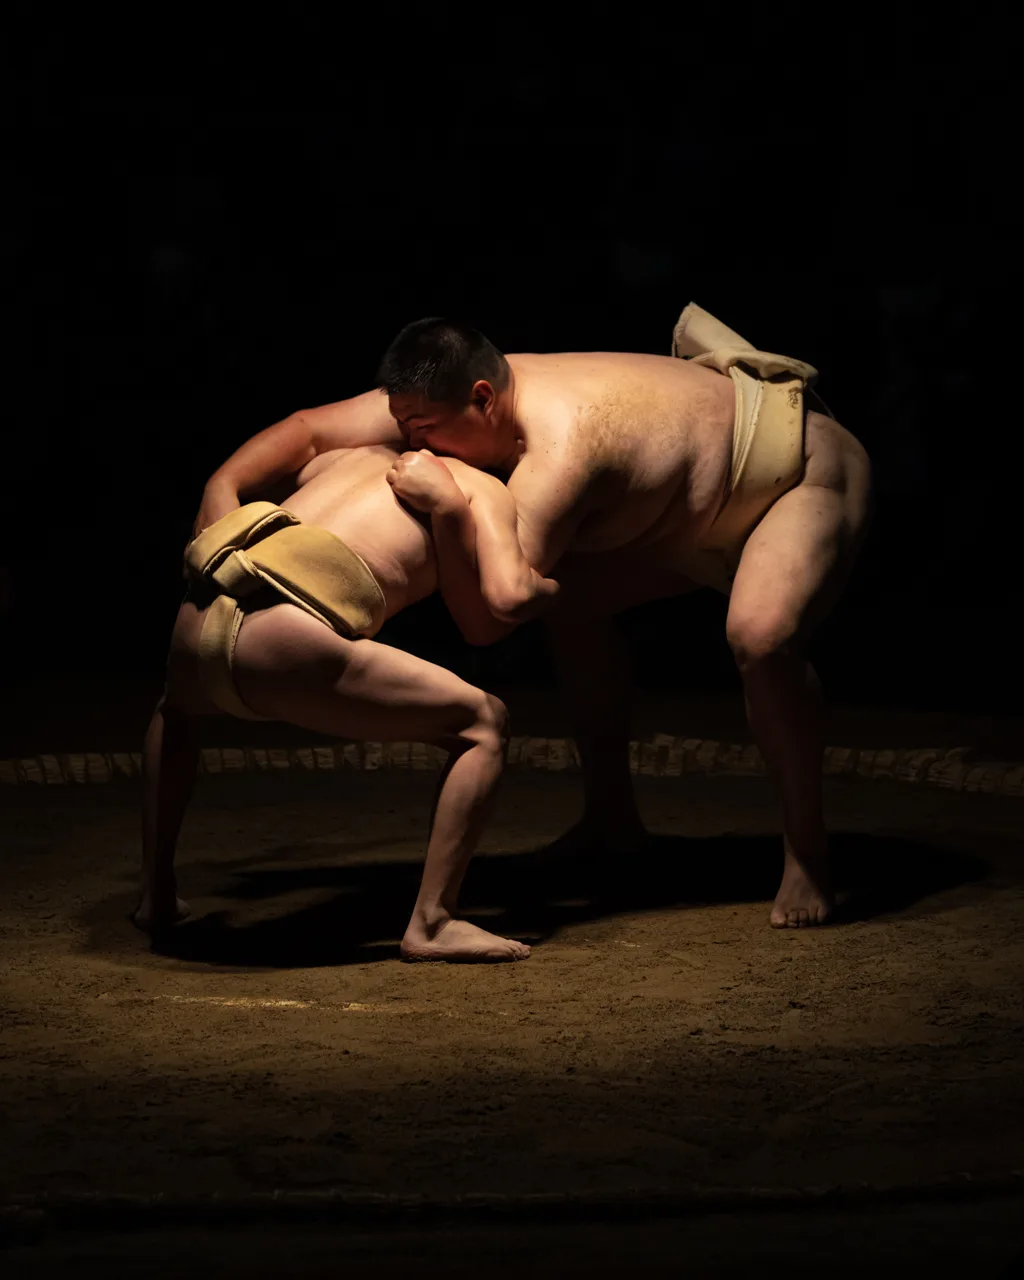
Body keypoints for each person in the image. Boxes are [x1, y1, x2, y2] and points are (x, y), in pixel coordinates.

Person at [380, 306, 873, 929]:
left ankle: (807, 851)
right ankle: (611, 818)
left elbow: (493, 616)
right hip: (696, 511)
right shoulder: (442, 385)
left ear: (483, 399)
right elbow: (310, 428)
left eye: (423, 429)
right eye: (406, 427)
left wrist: (450, 507)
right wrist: (246, 490)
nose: (413, 445)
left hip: (798, 473)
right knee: (570, 602)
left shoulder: (562, 443)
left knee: (761, 636)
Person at [136, 440, 557, 962]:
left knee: (176, 710)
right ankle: (433, 922)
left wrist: (219, 484)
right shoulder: (480, 486)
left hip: (196, 615)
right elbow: (498, 606)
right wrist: (558, 590)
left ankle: (156, 895)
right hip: (285, 638)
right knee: (484, 723)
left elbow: (297, 444)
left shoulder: (350, 454)